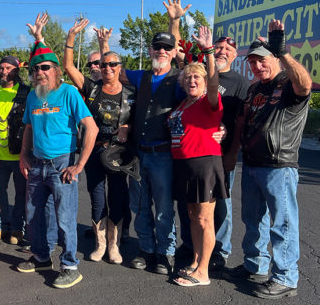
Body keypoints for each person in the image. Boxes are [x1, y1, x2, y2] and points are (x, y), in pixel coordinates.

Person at [225, 20, 312, 299]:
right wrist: (233, 153)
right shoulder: (253, 90)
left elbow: (306, 84)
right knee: (253, 220)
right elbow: (242, 123)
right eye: (252, 62)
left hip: (279, 165)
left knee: (282, 223)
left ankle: (285, 278)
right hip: (251, 163)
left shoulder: (288, 84)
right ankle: (255, 265)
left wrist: (284, 52)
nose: (257, 66)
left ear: (274, 58)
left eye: (262, 60)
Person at [17, 12, 98, 289]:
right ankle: (40, 256)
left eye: (46, 68)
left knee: (65, 217)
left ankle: (69, 265)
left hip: (62, 162)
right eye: (36, 69)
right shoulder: (32, 95)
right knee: (34, 214)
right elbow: (28, 126)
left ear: (56, 70)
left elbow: (91, 128)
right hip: (37, 163)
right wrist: (23, 154)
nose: (40, 72)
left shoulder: (69, 93)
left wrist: (79, 165)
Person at [167, 0, 248, 269]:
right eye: (220, 46)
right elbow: (175, 49)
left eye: (229, 48)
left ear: (235, 55)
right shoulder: (194, 75)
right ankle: (192, 248)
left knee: (217, 208)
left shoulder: (237, 82)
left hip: (217, 155)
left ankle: (218, 254)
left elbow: (238, 119)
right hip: (188, 156)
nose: (224, 50)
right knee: (191, 208)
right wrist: (175, 20)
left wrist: (232, 148)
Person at [111, 28, 185, 275]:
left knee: (164, 207)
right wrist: (104, 44)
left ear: (173, 52)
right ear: (150, 50)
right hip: (139, 153)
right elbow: (114, 70)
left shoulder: (179, 79)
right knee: (140, 204)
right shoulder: (141, 76)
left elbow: (200, 97)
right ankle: (146, 249)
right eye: (157, 47)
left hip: (163, 154)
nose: (161, 51)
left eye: (166, 47)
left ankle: (166, 252)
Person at [64, 18, 135, 265]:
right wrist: (72, 36)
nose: (107, 68)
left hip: (118, 153)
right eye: (103, 65)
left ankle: (114, 246)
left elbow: (139, 117)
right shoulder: (91, 88)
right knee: (96, 197)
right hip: (93, 151)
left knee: (116, 196)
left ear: (119, 67)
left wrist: (128, 126)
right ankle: (99, 243)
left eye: (112, 64)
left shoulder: (130, 93)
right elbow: (68, 66)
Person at [166, 26, 227, 287]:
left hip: (204, 164)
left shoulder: (208, 101)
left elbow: (213, 83)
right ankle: (195, 261)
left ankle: (203, 273)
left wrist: (208, 52)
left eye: (197, 79)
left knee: (204, 218)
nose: (192, 81)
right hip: (183, 165)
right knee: (191, 216)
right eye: (188, 78)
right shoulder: (184, 103)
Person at [0, 54, 31, 246]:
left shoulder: (26, 92)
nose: (4, 71)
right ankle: (0, 225)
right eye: (2, 68)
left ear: (16, 70)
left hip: (19, 154)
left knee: (21, 193)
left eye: (9, 68)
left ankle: (16, 227)